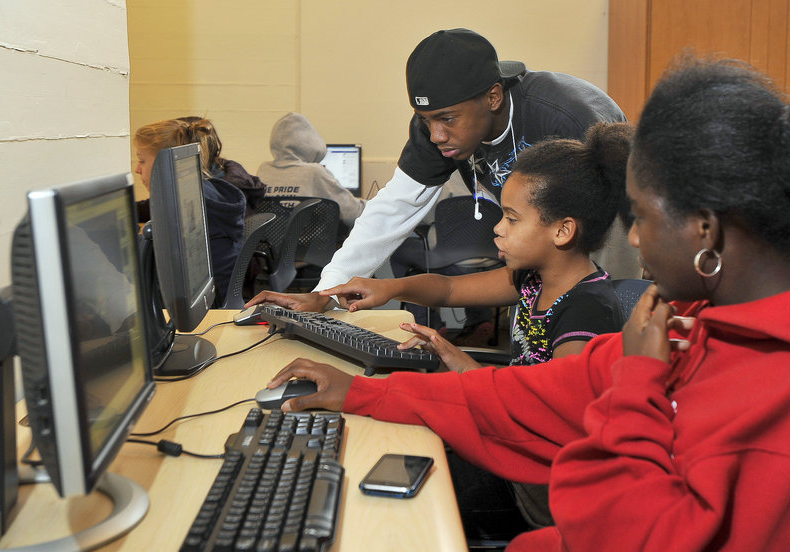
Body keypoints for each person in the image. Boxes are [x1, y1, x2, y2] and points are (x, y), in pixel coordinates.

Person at [259, 55, 790, 550]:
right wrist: (366, 394)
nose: (632, 240)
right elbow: (534, 394)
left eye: (644, 218)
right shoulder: (679, 328)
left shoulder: (763, 405)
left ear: (705, 231)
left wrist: (637, 386)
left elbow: (610, 519)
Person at [246, 28, 635, 317]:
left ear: (493, 97)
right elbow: (392, 209)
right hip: (539, 244)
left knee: (599, 312)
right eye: (426, 119)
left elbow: (626, 221)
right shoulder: (437, 130)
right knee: (534, 316)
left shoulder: (565, 115)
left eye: (447, 118)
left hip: (611, 216)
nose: (436, 135)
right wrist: (326, 292)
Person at [324, 121, 631, 374]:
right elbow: (447, 290)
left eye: (511, 218)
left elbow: (555, 412)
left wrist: (465, 366)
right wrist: (389, 288)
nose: (498, 228)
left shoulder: (587, 310)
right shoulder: (533, 280)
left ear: (562, 231)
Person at [134, 117, 246, 306]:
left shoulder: (184, 212)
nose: (137, 169)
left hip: (209, 309)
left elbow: (150, 275)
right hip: (219, 299)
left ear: (165, 163)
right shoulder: (205, 193)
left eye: (142, 160)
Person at [136, 116, 266, 221]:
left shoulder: (207, 204)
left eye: (141, 160)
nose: (137, 169)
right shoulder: (221, 182)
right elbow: (154, 208)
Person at [258, 112, 366, 228]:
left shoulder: (264, 170)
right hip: (308, 244)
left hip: (268, 245)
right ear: (310, 143)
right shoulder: (314, 172)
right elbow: (353, 213)